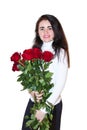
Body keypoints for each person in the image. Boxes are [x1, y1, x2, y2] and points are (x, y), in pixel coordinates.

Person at [22, 14, 70, 130]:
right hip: (34, 103)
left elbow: (59, 85)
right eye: (42, 28)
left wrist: (44, 110)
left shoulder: (60, 52)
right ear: (37, 32)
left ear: (56, 30)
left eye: (50, 28)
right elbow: (30, 77)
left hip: (52, 104)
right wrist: (32, 92)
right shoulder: (34, 50)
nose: (46, 32)